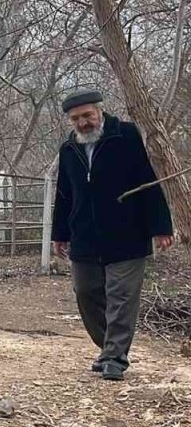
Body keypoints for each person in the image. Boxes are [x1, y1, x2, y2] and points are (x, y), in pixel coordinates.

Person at [51, 89, 174, 381]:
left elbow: (148, 180)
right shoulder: (69, 149)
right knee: (86, 292)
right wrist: (60, 234)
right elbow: (64, 194)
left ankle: (115, 357)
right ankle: (109, 348)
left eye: (87, 116)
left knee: (120, 295)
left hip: (127, 233)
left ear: (99, 112)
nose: (83, 123)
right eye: (76, 119)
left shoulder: (126, 135)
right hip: (85, 235)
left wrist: (161, 226)